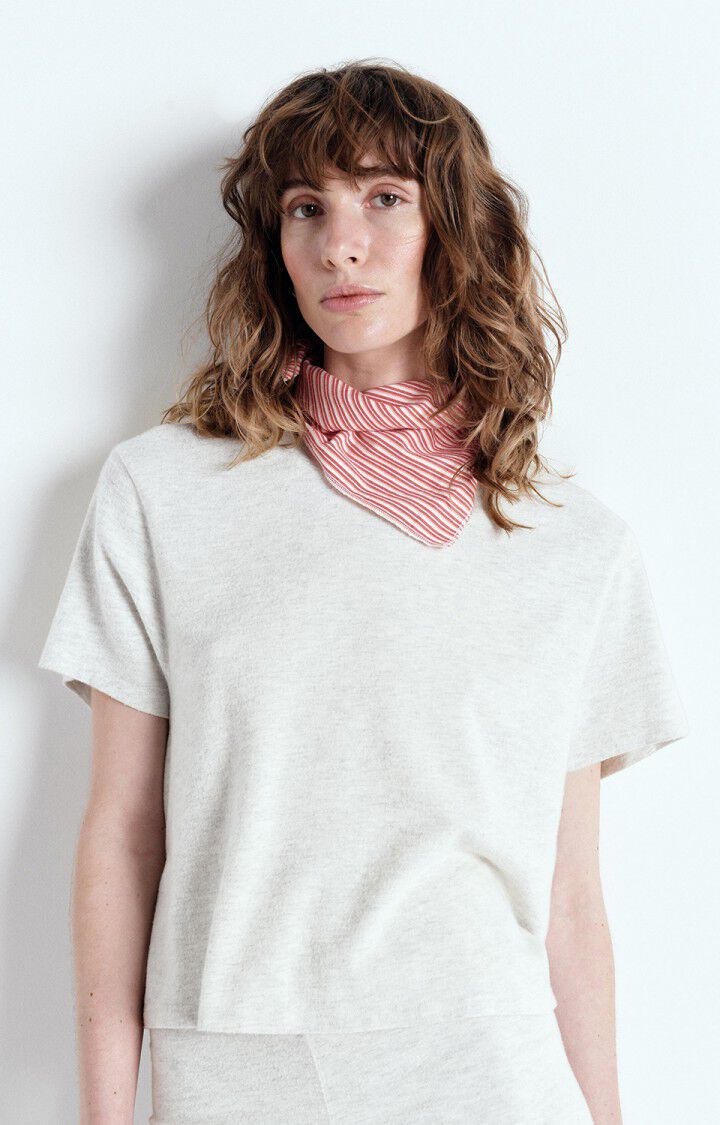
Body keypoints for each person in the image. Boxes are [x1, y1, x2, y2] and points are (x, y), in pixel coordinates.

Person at [38, 60, 689, 1125]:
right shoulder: (164, 492)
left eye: (386, 197)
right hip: (236, 1058)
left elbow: (572, 897)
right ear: (274, 245)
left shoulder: (574, 543)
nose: (341, 244)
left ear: (455, 232)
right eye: (307, 207)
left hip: (489, 1060)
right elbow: (123, 830)